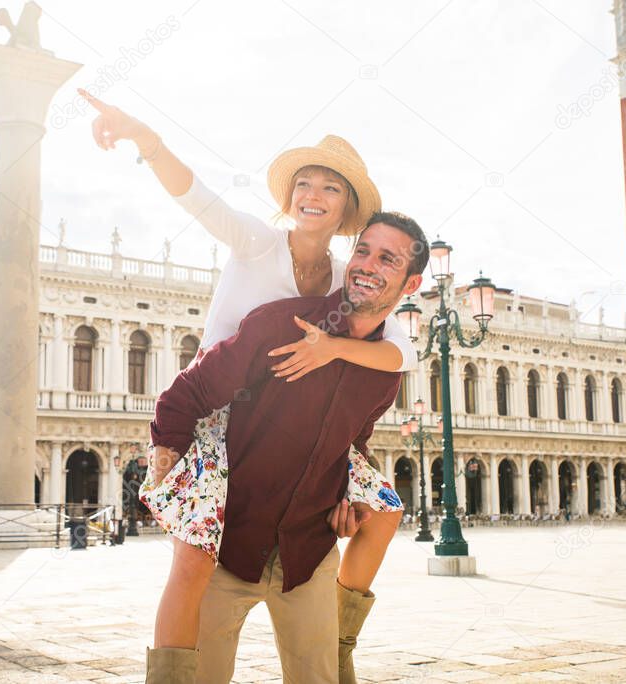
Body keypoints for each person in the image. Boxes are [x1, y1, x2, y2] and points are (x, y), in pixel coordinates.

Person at [80, 90, 417, 682]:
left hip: (308, 407)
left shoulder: (350, 275)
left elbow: (399, 351)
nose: (312, 196)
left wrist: (332, 347)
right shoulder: (258, 241)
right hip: (217, 407)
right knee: (192, 557)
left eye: (330, 188)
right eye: (304, 185)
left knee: (384, 510)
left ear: (347, 212)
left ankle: (337, 641)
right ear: (289, 197)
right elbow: (195, 196)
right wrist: (146, 140)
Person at [149, 213, 428, 682]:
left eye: (387, 258)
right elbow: (185, 396)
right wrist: (168, 483)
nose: (367, 265)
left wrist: (349, 498)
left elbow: (352, 442)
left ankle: (341, 650)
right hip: (227, 548)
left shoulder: (386, 372)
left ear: (412, 282)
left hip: (308, 554)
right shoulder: (281, 324)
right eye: (362, 251)